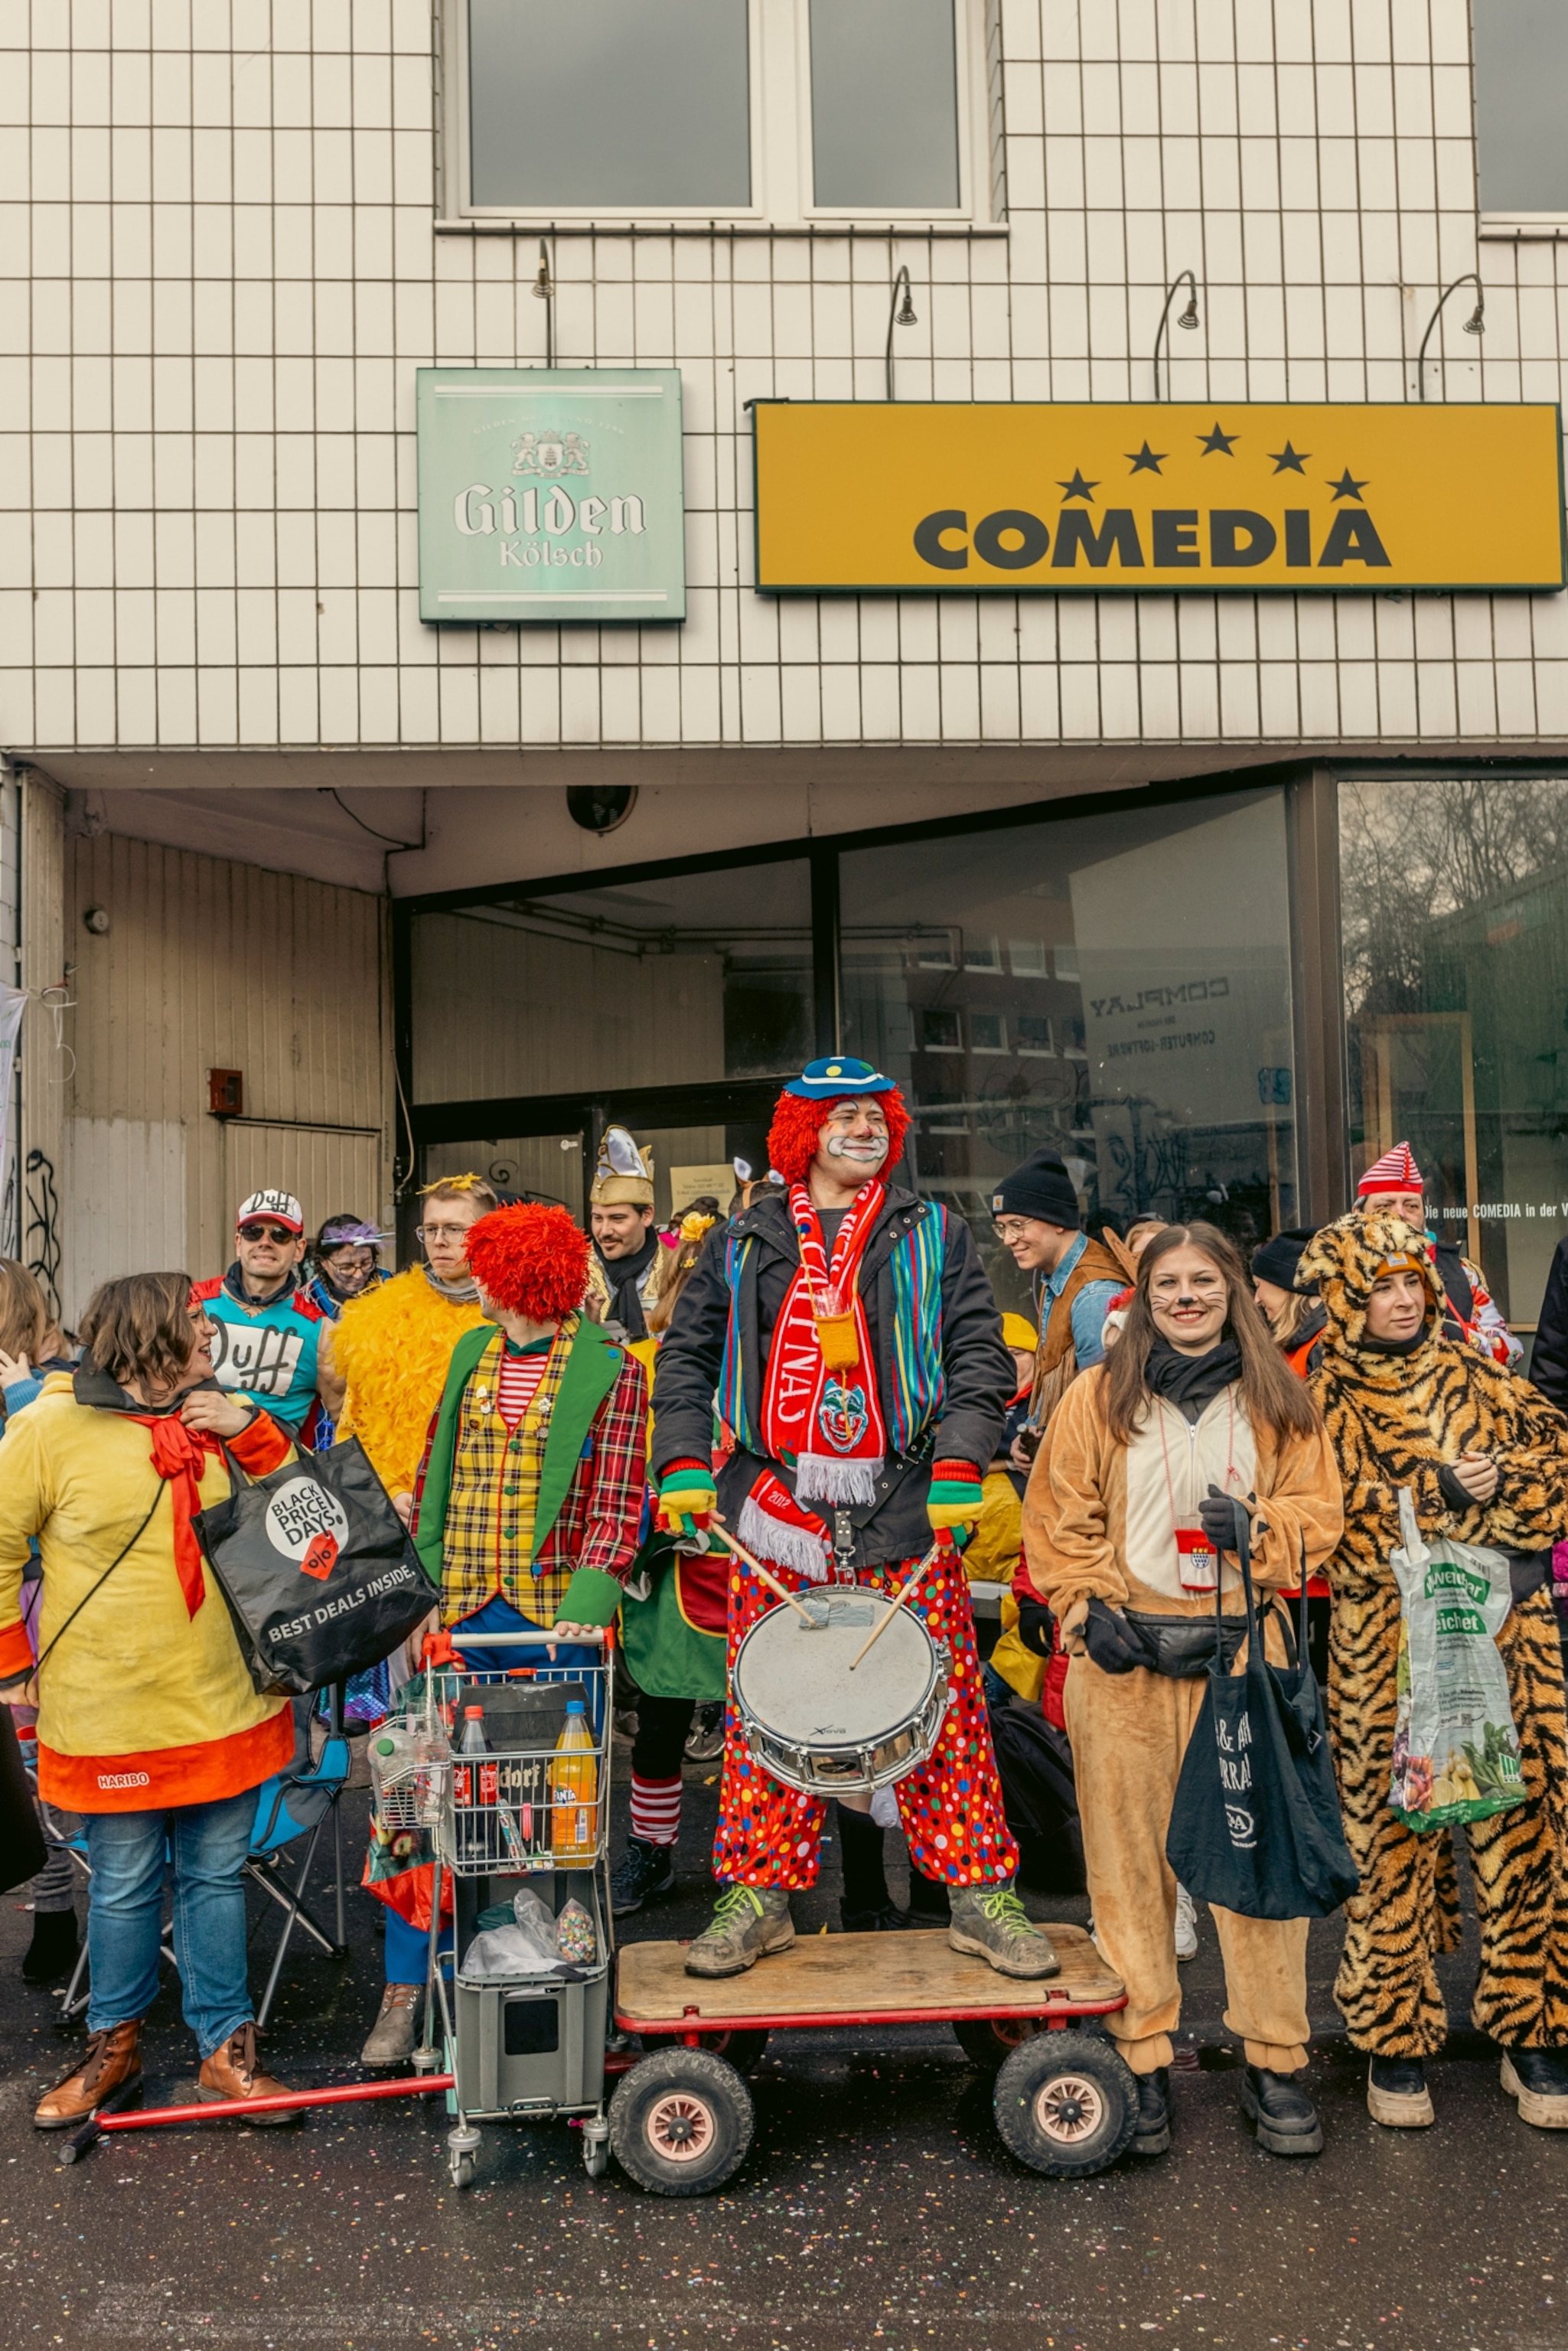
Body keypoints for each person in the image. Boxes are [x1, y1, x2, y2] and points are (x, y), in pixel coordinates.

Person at [650, 1055, 1055, 1981]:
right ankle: (757, 1897)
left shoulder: (937, 1232)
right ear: (804, 1132)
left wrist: (960, 1460)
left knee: (943, 1713)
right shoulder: (742, 1240)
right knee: (768, 1715)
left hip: (907, 1505)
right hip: (778, 1512)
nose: (866, 1129)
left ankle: (978, 1893)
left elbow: (976, 1356)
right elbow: (685, 1360)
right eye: (844, 1116)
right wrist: (681, 1460)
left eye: (878, 1115)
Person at [1022, 1223, 1344, 2159]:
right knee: (1129, 1874)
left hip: (1244, 1660)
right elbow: (1058, 1514)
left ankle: (1276, 2063)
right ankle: (1143, 2058)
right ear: (1146, 1295)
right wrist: (1089, 1610)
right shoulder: (1096, 1395)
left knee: (1257, 1869)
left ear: (1234, 1291)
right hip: (1127, 1667)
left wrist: (1262, 1527)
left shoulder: (1281, 1396)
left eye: (1206, 1280)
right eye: (1171, 1283)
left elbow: (1319, 1514)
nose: (1188, 1296)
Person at [0, 1273, 302, 2128]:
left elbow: (308, 1518)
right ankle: (113, 2048)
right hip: (110, 1711)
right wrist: (11, 1665)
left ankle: (224, 2052)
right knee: (127, 1883)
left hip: (224, 1703)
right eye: (197, 1323)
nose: (212, 1336)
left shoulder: (222, 1412)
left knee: (213, 1877)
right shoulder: (48, 1428)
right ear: (151, 1338)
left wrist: (249, 1430)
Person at [1299, 1209, 1568, 2131]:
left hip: (1505, 1644)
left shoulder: (1478, 1373)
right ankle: (1393, 2039)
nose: (1405, 1299)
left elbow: (1557, 1460)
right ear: (1345, 1297)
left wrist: (1514, 1490)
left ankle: (1531, 2031)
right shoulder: (1321, 1394)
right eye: (1382, 1286)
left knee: (1526, 1834)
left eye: (1414, 1280)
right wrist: (1437, 1492)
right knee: (1393, 1842)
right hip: (1389, 1653)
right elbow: (1326, 1521)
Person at [361, 1202, 648, 2066]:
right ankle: (410, 1986)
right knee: (415, 1803)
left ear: (521, 1275)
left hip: (552, 1623)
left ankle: (560, 1979)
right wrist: (423, 1594)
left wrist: (589, 1604)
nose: (470, 1277)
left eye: (485, 1264)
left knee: (553, 1813)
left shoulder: (610, 1368)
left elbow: (618, 1499)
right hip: (461, 1613)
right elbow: (434, 1476)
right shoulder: (470, 1352)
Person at [612, 1210, 728, 1917]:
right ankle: (651, 1856)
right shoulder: (644, 1369)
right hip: (676, 1578)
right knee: (659, 1723)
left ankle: (756, 1861)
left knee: (765, 1727)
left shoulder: (774, 1367)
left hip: (756, 1564)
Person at [0, 1262, 80, 1984]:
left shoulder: (56, 1388)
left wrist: (20, 1396)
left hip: (30, 1598)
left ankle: (55, 1914)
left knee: (36, 1773)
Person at [328, 1175, 497, 1516]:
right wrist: (386, 1492)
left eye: (454, 1229)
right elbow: (353, 1428)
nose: (439, 1242)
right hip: (402, 1511)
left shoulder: (515, 1316)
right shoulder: (381, 1313)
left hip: (489, 1513)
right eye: (430, 1230)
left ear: (489, 1231)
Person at [992, 1151, 1128, 1460]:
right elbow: (1053, 1370)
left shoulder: (1095, 1293)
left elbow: (1105, 1406)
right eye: (1002, 1228)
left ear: (1057, 1220)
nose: (1008, 1240)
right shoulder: (1055, 1276)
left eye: (1017, 1225)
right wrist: (1028, 1430)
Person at [194, 1189, 342, 1440]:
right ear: (239, 1243)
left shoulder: (320, 1331)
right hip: (191, 1468)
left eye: (280, 1235)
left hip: (272, 1472)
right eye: (254, 1232)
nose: (265, 1242)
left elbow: (350, 1418)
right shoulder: (191, 1303)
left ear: (299, 1249)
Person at [1355, 1143, 1521, 1368]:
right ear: (1358, 1214)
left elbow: (1511, 1349)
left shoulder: (1462, 1273)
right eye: (1385, 1205)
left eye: (1411, 1206)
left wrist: (1453, 1335)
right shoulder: (1340, 1274)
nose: (1400, 1214)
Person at [590, 1128, 661, 1340]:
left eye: (617, 1218)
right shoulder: (571, 1272)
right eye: (597, 1218)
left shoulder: (680, 1271)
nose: (604, 1231)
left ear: (647, 1215)